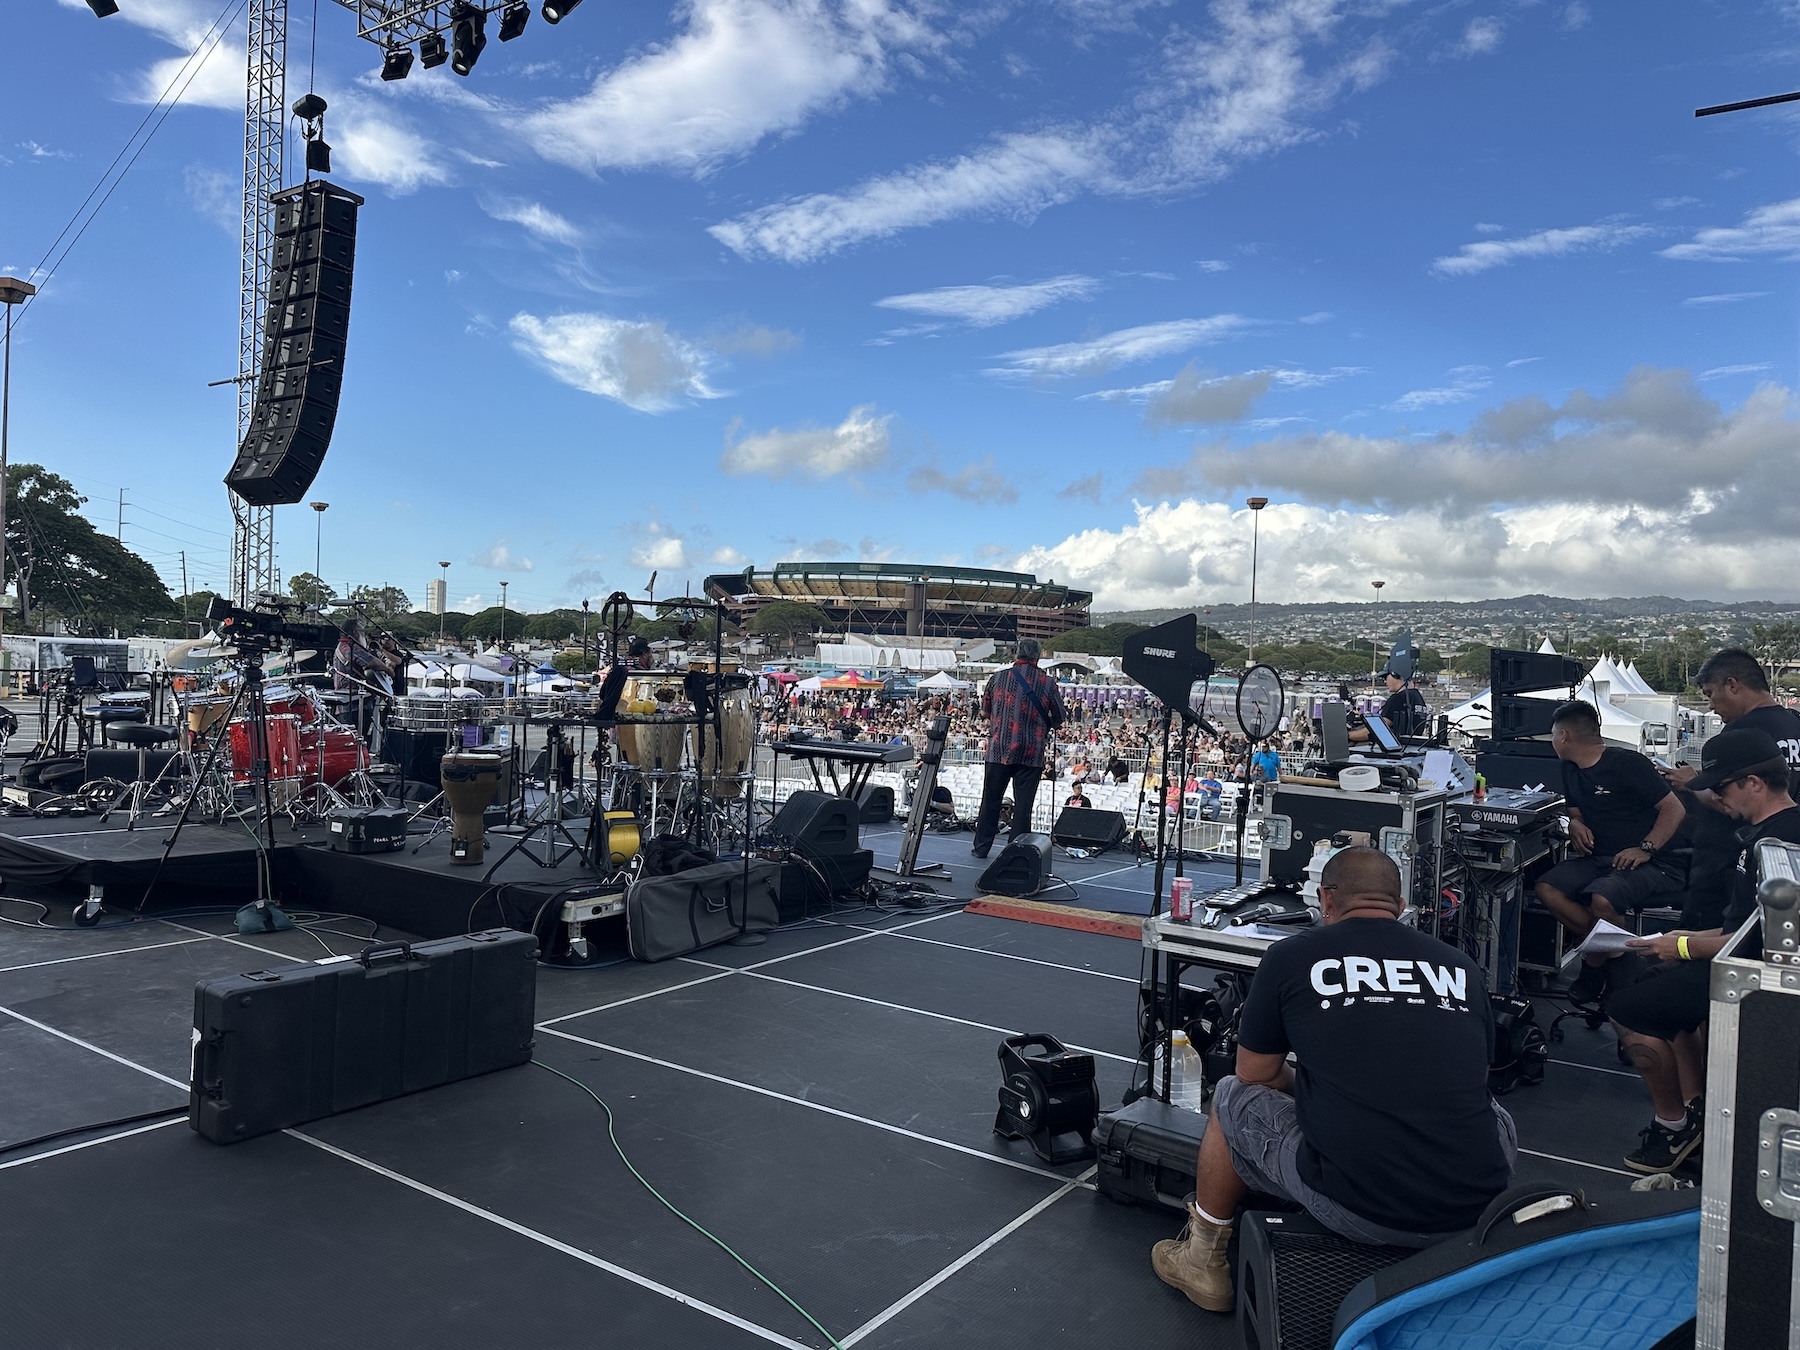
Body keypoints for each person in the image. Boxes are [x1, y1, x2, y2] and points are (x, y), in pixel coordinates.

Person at [1152, 848, 1515, 1312]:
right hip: (1479, 1204)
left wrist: (1310, 1084)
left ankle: (1202, 1260)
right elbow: (1475, 1072)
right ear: (1400, 905)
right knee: (1491, 1110)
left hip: (1362, 1207)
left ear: (1325, 899)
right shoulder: (1460, 966)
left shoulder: (1290, 957)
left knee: (1230, 1093)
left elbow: (1254, 1073)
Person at [1611, 727, 1800, 1172]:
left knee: (1628, 1010)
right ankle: (1697, 1107)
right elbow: (1744, 923)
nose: (1716, 798)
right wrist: (1679, 943)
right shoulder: (1764, 832)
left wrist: (1680, 946)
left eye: (1720, 787)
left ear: (1754, 783)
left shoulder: (1782, 842)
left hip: (1755, 976)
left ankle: (1672, 1125)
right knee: (1658, 987)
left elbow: (1759, 941)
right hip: (1737, 956)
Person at [1534, 701, 1686, 1005]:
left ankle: (1598, 969)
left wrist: (1646, 848)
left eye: (1553, 736)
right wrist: (1575, 824)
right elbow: (1576, 812)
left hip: (1655, 863)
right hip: (1601, 859)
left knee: (1603, 900)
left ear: (1564, 736)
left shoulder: (1628, 764)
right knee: (1546, 888)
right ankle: (1611, 953)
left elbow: (1674, 808)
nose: (1552, 742)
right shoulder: (1570, 769)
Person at [972, 638, 1066, 858]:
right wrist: (1043, 726)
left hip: (999, 749)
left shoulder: (998, 678)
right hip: (1031, 753)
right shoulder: (1048, 683)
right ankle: (1014, 853)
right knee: (1023, 806)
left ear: (1016, 654)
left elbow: (984, 712)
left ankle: (981, 848)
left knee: (991, 800)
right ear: (1038, 656)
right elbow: (1060, 717)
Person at [1350, 666, 1428, 743]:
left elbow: (1378, 730)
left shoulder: (1397, 698)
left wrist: (1349, 735)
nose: (1385, 681)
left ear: (1396, 675)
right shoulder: (1417, 697)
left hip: (1395, 748)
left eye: (1386, 677)